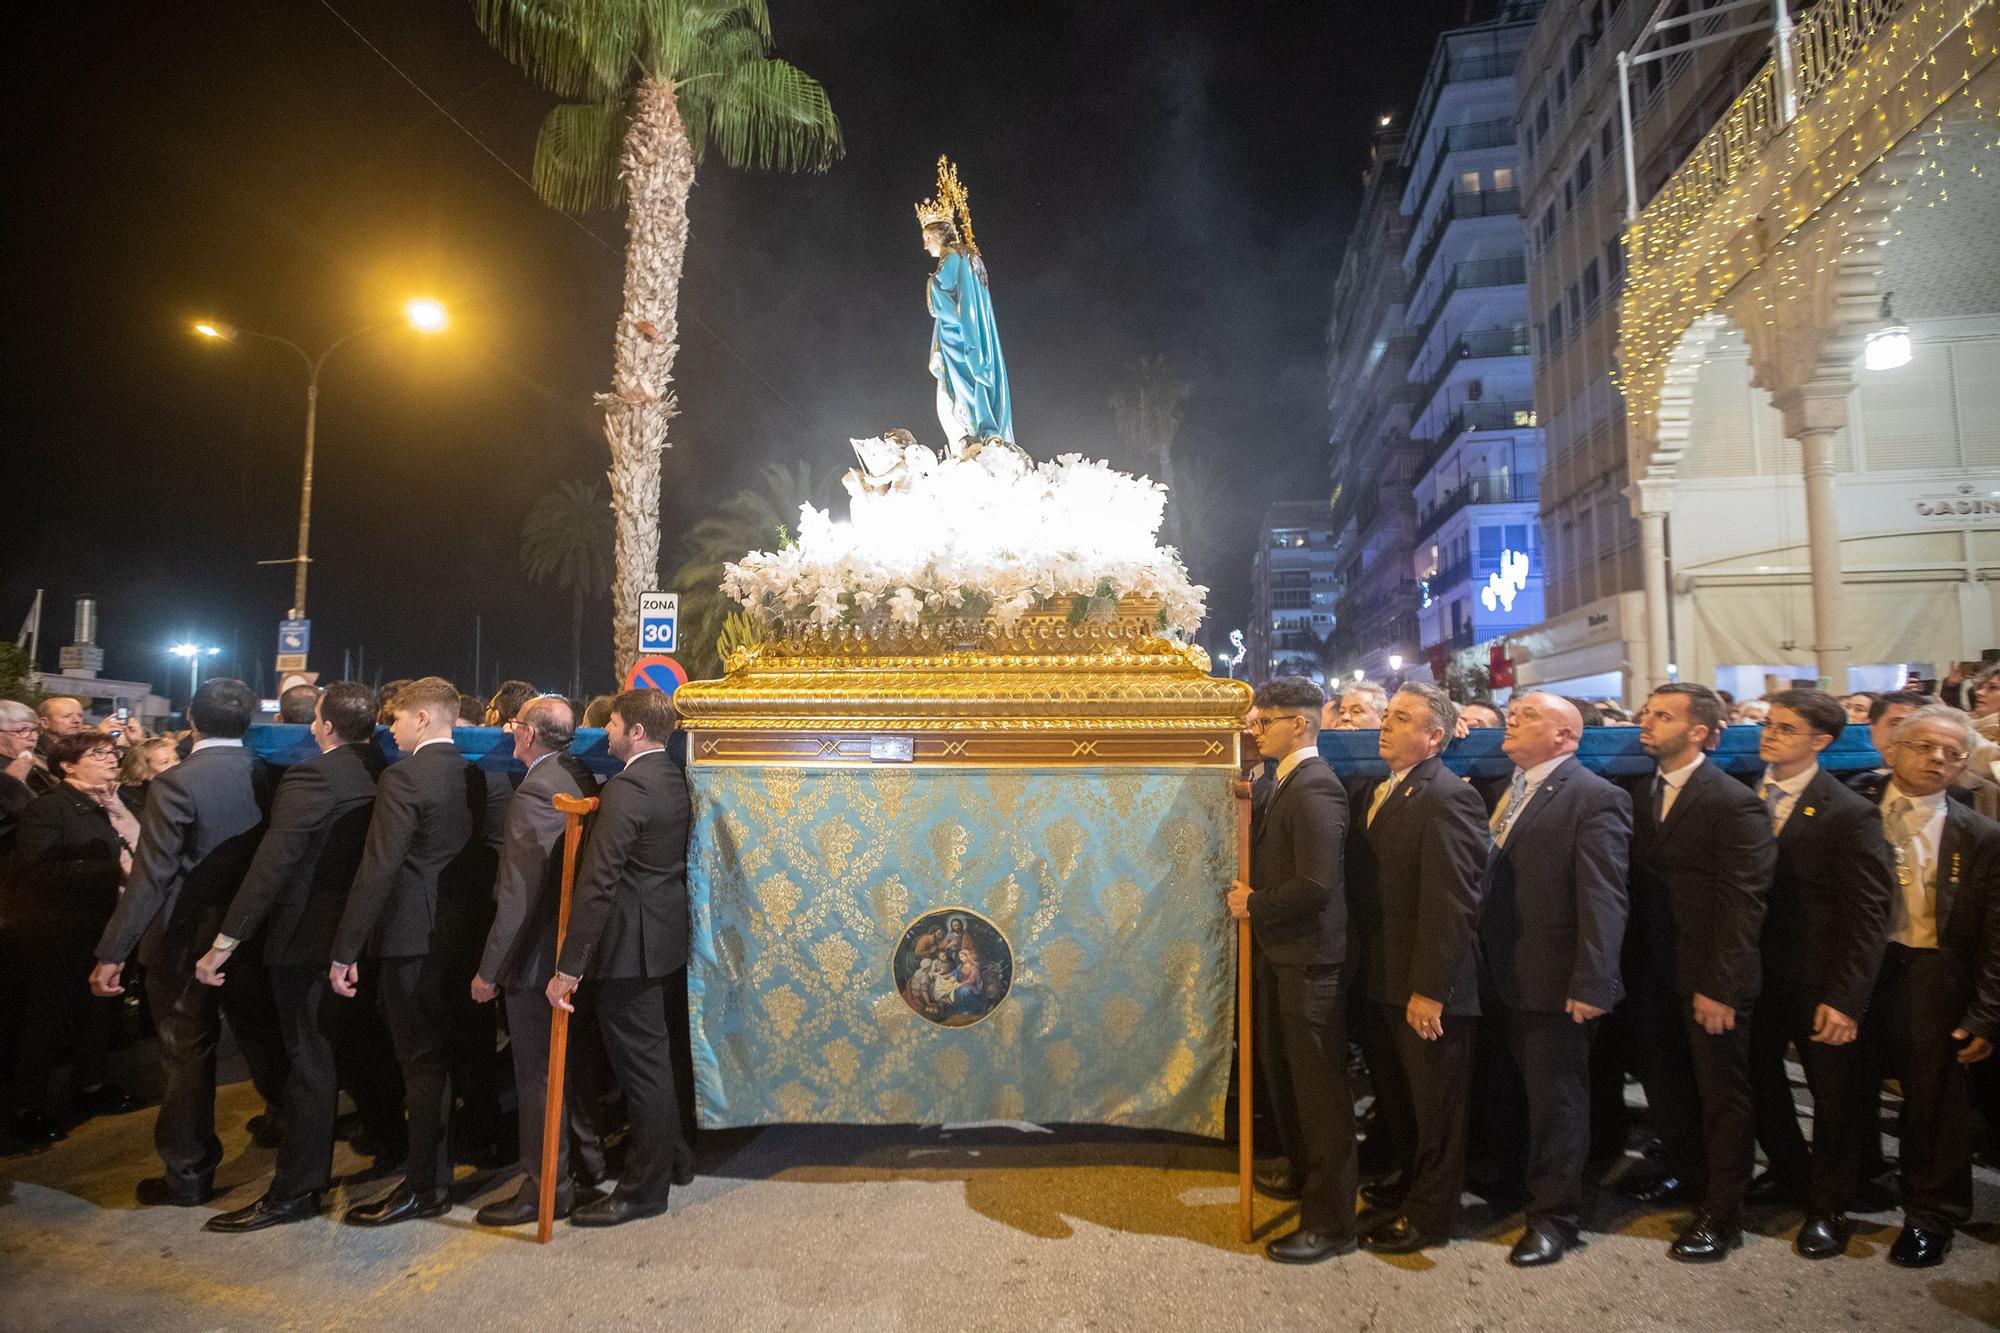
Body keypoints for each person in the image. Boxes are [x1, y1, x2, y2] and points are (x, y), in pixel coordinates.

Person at [192, 682, 398, 1233]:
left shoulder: (312, 776)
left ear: (323, 726)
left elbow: (271, 869)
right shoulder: (382, 770)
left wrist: (224, 944)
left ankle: (296, 1191)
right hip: (362, 938)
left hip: (307, 942)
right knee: (357, 1046)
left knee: (310, 1065)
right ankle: (390, 1140)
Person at [89, 678, 287, 1207]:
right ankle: (286, 1119)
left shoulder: (177, 782)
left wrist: (114, 951)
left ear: (191, 720)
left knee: (186, 1052)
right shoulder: (270, 775)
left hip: (184, 940)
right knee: (260, 1030)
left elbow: (152, 876)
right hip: (250, 930)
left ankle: (189, 1172)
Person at [1620, 683, 1774, 1262]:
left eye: (1663, 716)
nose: (1647, 722)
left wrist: (1723, 986)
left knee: (1721, 1098)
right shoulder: (1640, 793)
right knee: (1666, 1089)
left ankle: (1723, 1212)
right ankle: (1688, 1178)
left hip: (1709, 978)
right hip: (1652, 974)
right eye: (1648, 713)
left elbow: (1744, 902)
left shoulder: (1732, 802)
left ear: (1701, 733)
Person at [1477, 693, 1631, 1267]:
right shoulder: (1509, 790)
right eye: (1511, 713)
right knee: (1515, 1095)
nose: (1511, 719)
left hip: (1554, 978)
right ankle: (1520, 1188)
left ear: (1566, 736)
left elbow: (1604, 897)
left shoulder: (1594, 798)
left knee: (1557, 1104)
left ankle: (1556, 1219)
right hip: (1503, 971)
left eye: (1529, 715)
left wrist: (1593, 982)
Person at [1743, 690, 1894, 1260]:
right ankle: (1790, 1173)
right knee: (1758, 1083)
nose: (1769, 734)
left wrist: (1848, 997)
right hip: (1753, 977)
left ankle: (1829, 1206)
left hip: (1817, 980)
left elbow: (1867, 912)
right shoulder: (1744, 797)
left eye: (1785, 728)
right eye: (1768, 724)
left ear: (1821, 742)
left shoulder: (1847, 811)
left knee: (1835, 1098)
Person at [329, 677, 485, 1226]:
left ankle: (425, 1186)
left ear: (423, 718)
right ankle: (438, 1173)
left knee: (420, 1064)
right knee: (444, 1059)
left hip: (410, 941)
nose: (388, 730)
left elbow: (378, 870)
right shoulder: (472, 774)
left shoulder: (402, 778)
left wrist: (345, 949)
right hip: (458, 937)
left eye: (395, 718)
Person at [1347, 683, 1487, 1255]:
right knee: (1400, 1101)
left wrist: (1431, 990)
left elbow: (1452, 903)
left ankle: (1431, 1217)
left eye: (1400, 718)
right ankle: (1407, 1186)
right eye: (1387, 715)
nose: (1384, 724)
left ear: (1435, 737)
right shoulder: (1389, 790)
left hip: (1426, 987)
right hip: (1385, 978)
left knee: (1437, 1112)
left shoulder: (1448, 796)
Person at [547, 688, 696, 1227]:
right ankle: (674, 1160)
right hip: (660, 939)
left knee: (644, 1072)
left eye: (610, 725)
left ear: (635, 731)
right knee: (660, 1063)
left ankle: (642, 1191)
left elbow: (598, 883)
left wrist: (568, 968)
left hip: (628, 949)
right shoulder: (672, 778)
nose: (604, 733)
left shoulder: (628, 789)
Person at [1224, 677, 1358, 1264]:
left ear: (1299, 723)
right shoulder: (1281, 781)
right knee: (1288, 1084)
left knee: (1320, 1096)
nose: (1255, 733)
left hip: (1310, 963)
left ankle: (1332, 1223)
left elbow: (1315, 884)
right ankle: (1306, 1177)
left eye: (1263, 723)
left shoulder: (1315, 788)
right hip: (1281, 956)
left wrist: (1253, 904)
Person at [1862, 704, 1999, 1268]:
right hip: (1860, 970)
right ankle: (1844, 1190)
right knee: (1846, 1087)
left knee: (1934, 1099)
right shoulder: (1852, 809)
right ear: (1892, 749)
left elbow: (1997, 932)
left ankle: (1930, 1214)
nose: (1938, 759)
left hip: (1933, 973)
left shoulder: (1981, 833)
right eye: (1924, 746)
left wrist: (1988, 1013)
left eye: (1953, 753)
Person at [469, 695, 606, 1228]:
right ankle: (585, 1166)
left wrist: (489, 971)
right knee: (570, 1071)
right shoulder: (577, 774)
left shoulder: (533, 793)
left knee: (537, 1079)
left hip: (535, 961)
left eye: (513, 725)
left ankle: (544, 1187)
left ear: (527, 735)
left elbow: (517, 895)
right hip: (572, 951)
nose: (509, 733)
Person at [9, 731, 145, 1143]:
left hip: (110, 927)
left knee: (99, 1012)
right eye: (98, 754)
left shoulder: (116, 802)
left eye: (113, 753)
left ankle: (91, 1086)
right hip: (60, 933)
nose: (110, 760)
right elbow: (36, 873)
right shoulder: (50, 809)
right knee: (46, 1021)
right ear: (67, 765)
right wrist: (111, 870)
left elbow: (143, 850)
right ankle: (27, 1108)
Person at [917, 160, 1013, 451]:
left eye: (927, 238)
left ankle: (977, 433)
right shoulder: (969, 258)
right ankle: (979, 432)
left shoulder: (952, 259)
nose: (925, 246)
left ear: (938, 234)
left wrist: (932, 283)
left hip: (960, 340)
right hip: (969, 334)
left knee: (957, 392)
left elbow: (941, 298)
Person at [0, 699, 38, 856]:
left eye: (35, 729)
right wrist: (12, 780)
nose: (32, 737)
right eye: (22, 730)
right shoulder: (12, 769)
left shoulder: (39, 761)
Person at [28, 696, 86, 796]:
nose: (76, 720)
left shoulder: (82, 748)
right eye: (67, 716)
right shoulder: (33, 751)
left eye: (80, 716)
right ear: (45, 722)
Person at [118, 735, 179, 816]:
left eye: (176, 759)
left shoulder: (180, 790)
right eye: (165, 762)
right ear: (143, 769)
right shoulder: (130, 797)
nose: (175, 765)